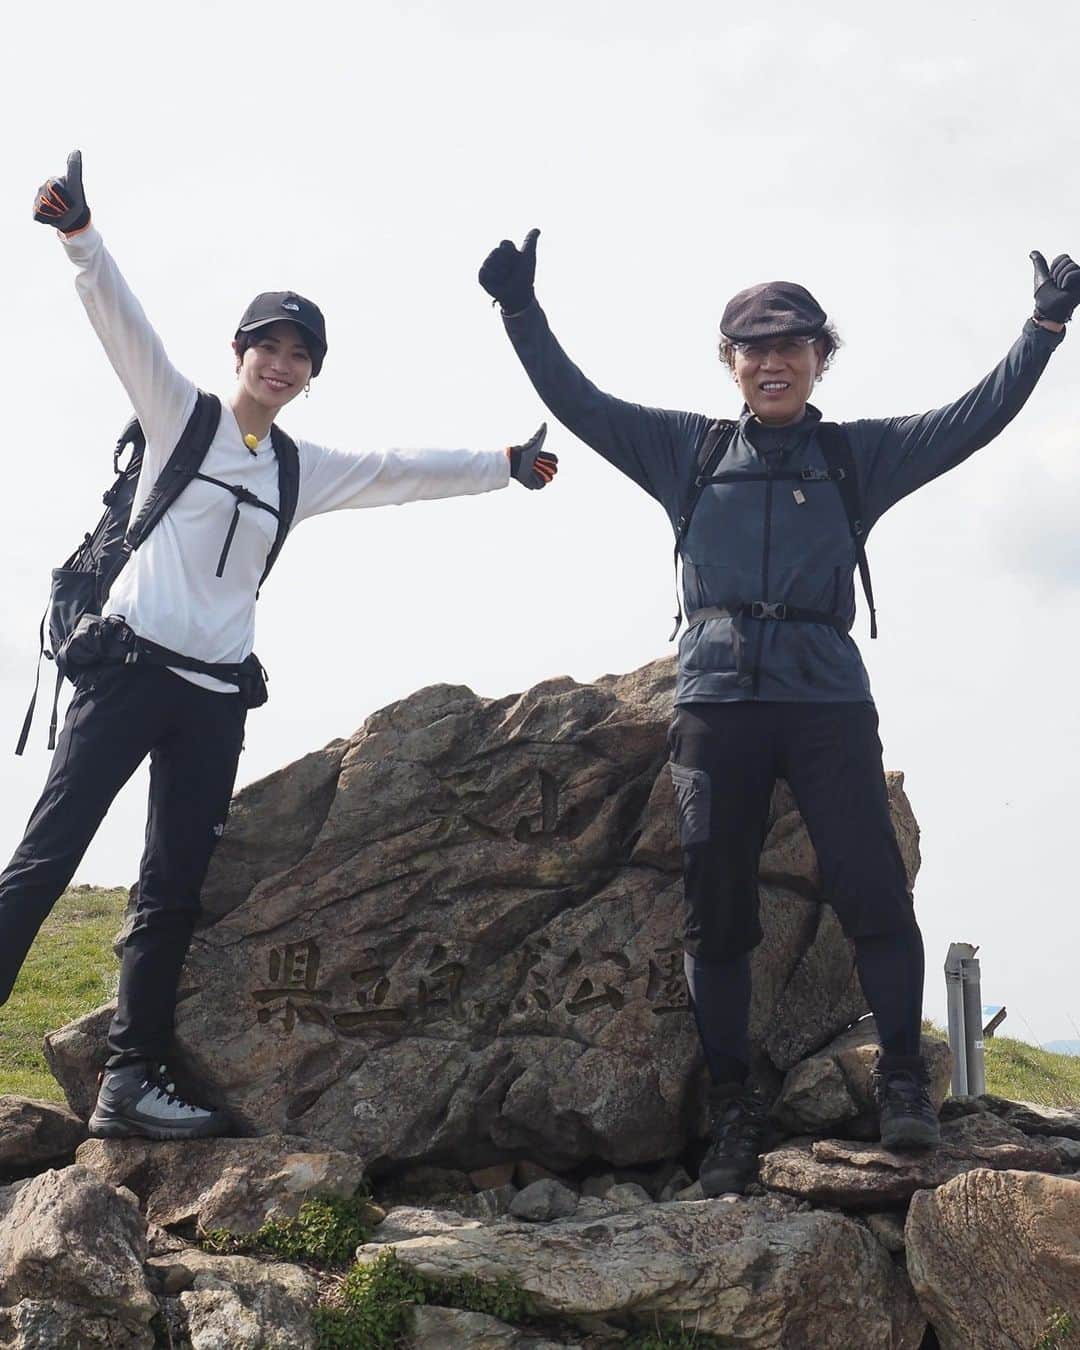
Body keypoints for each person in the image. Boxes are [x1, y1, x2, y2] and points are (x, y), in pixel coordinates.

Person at [478, 226, 1077, 1195]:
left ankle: (903, 1087)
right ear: (731, 364)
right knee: (717, 917)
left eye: (792, 346)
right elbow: (580, 404)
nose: (772, 362)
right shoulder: (688, 449)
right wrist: (521, 312)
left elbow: (971, 419)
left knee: (873, 892)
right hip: (716, 705)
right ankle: (732, 1105)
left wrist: (1043, 328)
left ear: (820, 359)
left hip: (828, 703)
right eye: (753, 348)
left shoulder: (855, 458)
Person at [0, 151, 559, 1143]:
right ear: (240, 349)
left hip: (215, 699)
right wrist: (80, 237)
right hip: (127, 675)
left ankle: (131, 1079)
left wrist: (505, 465)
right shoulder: (183, 417)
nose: (282, 362)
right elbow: (121, 325)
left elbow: (400, 469)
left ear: (311, 373)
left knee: (170, 888)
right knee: (44, 862)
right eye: (269, 344)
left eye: (301, 353)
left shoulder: (302, 468)